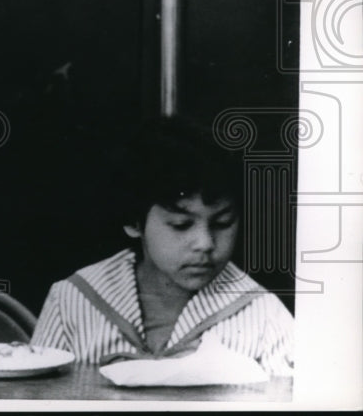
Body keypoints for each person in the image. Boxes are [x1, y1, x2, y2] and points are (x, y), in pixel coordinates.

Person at [31, 118, 294, 376]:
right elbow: (34, 396)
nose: (205, 243)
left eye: (222, 223)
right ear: (133, 222)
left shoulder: (262, 314)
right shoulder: (72, 300)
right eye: (181, 225)